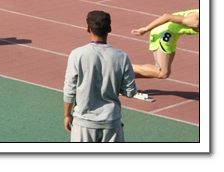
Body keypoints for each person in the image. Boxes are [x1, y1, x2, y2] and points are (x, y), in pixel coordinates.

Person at [63, 11, 137, 142]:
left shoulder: (77, 54)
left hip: (84, 123)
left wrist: (67, 114)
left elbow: (70, 89)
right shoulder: (122, 56)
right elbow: (130, 92)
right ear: (109, 29)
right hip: (112, 123)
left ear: (88, 28)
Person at [130, 9, 199, 79]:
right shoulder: (195, 22)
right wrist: (145, 29)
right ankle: (125, 66)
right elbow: (167, 17)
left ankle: (126, 76)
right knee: (162, 73)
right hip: (162, 34)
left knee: (163, 73)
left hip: (172, 36)